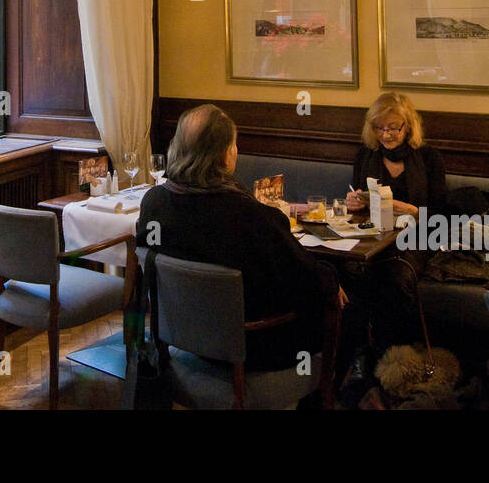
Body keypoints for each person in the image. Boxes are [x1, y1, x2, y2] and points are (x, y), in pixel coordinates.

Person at [136, 104, 341, 371]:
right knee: (349, 309)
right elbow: (302, 278)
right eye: (234, 145)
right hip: (254, 345)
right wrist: (331, 281)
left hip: (185, 336)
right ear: (224, 154)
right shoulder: (247, 215)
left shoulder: (154, 202)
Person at [340, 93, 449, 375]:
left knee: (395, 277)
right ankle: (356, 354)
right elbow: (357, 203)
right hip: (373, 235)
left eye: (393, 127)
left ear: (408, 126)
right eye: (380, 128)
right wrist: (354, 203)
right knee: (346, 270)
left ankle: (388, 358)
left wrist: (410, 209)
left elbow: (441, 217)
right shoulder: (366, 154)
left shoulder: (428, 157)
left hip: (419, 236)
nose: (386, 135)